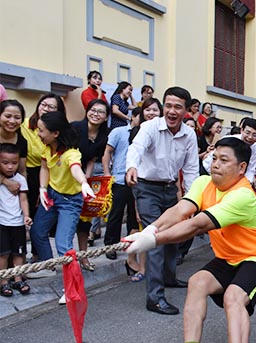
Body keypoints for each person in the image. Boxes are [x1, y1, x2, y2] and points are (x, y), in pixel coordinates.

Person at [124, 137, 256, 343]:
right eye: (214, 158)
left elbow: (197, 225)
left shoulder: (242, 195)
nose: (215, 164)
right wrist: (150, 229)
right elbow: (181, 210)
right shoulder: (203, 183)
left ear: (241, 168)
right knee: (197, 282)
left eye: (224, 160)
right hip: (228, 256)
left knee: (233, 298)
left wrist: (153, 241)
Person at [125, 87, 199, 314]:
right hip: (146, 189)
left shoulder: (189, 134)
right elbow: (136, 148)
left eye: (178, 107)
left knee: (174, 236)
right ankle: (155, 298)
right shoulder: (149, 127)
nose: (171, 111)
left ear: (186, 111)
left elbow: (191, 169)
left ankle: (168, 277)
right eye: (168, 105)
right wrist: (131, 166)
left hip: (170, 190)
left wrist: (192, 199)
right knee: (154, 239)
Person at [30, 112, 96, 303]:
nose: (38, 134)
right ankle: (49, 266)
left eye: (41, 130)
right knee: (37, 231)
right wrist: (43, 189)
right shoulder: (46, 147)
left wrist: (83, 183)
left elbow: (75, 168)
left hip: (70, 201)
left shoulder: (71, 153)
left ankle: (72, 288)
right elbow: (44, 168)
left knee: (63, 245)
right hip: (51, 196)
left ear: (55, 133)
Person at [19, 94, 66, 272]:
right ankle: (20, 258)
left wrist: (44, 188)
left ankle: (39, 257)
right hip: (25, 173)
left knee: (39, 219)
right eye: (43, 104)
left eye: (51, 107)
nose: (45, 109)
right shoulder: (24, 124)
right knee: (24, 217)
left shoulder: (58, 132)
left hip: (47, 175)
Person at [102, 104, 148, 281]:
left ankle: (130, 252)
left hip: (139, 181)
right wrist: (107, 174)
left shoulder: (146, 133)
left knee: (134, 218)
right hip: (120, 179)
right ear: (134, 116)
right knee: (115, 214)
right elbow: (107, 153)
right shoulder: (119, 132)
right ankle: (110, 246)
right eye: (141, 116)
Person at [71, 99, 110, 270]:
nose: (95, 114)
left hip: (84, 179)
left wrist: (86, 180)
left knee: (84, 220)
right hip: (67, 175)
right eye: (93, 110)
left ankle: (83, 257)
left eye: (100, 112)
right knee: (68, 221)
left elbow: (92, 159)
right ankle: (68, 259)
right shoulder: (75, 128)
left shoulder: (104, 135)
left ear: (106, 117)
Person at [0, 143, 32, 296]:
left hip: (17, 222)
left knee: (18, 253)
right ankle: (3, 281)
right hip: (2, 222)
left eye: (14, 163)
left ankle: (18, 279)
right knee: (3, 254)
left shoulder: (20, 179)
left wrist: (26, 215)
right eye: (5, 163)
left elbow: (23, 199)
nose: (10, 166)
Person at [0, 100, 27, 175]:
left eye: (17, 117)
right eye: (8, 116)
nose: (12, 121)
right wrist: (4, 180)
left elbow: (22, 171)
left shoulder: (22, 142)